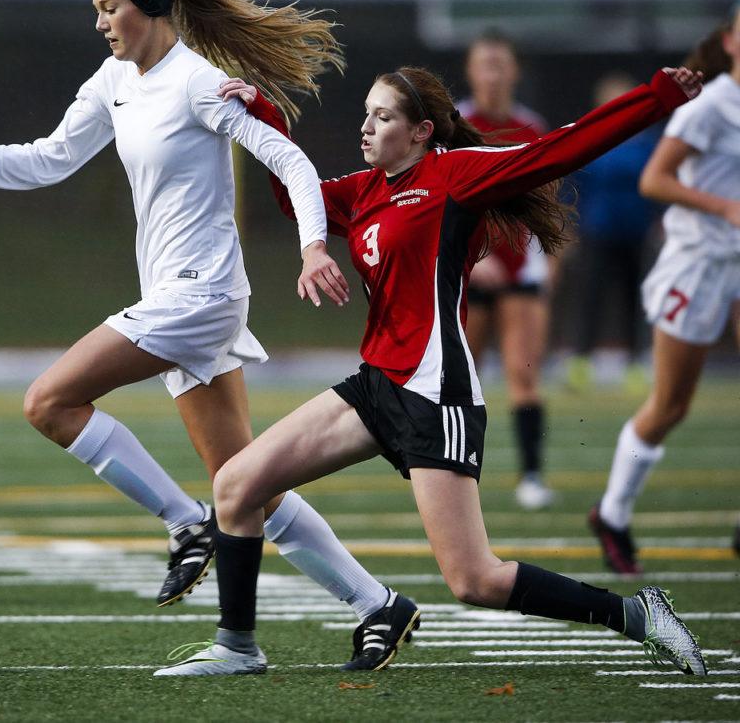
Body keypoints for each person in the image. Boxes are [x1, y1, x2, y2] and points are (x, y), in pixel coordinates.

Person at [0, 0, 400, 635]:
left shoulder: (198, 83)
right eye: (96, 11)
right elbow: (50, 157)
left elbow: (288, 159)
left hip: (200, 298)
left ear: (153, 8)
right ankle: (378, 604)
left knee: (49, 401)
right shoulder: (113, 80)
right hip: (184, 300)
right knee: (247, 484)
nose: (101, 23)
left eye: (111, 8)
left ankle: (186, 523)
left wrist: (314, 246)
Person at [152, 63, 707, 677]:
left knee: (475, 580)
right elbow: (294, 194)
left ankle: (637, 615)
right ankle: (237, 647)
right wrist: (263, 113)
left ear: (420, 131)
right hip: (376, 384)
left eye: (383, 116)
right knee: (236, 485)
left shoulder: (452, 175)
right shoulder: (365, 189)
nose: (366, 126)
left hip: (433, 393)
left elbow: (561, 148)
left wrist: (656, 98)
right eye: (366, 113)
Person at [590, 3, 740, 575]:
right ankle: (613, 512)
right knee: (671, 406)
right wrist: (723, 206)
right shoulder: (713, 107)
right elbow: (656, 178)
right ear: (729, 42)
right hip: (698, 262)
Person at [457, 30, 556, 510]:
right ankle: (455, 473)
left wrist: (550, 259)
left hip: (521, 272)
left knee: (524, 372)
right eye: (484, 64)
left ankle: (532, 476)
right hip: (467, 275)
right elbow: (438, 204)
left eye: (501, 65)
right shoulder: (452, 125)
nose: (493, 75)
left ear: (513, 72)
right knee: (459, 376)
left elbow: (549, 205)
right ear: (471, 71)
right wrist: (473, 261)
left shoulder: (531, 128)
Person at [566, 72, 660, 394]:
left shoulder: (647, 143)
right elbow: (574, 185)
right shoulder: (592, 139)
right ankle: (580, 364)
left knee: (634, 301)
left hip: (635, 233)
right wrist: (571, 228)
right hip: (598, 232)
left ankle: (635, 363)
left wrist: (658, 220)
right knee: (590, 298)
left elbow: (658, 184)